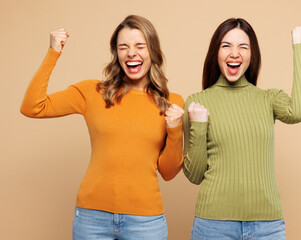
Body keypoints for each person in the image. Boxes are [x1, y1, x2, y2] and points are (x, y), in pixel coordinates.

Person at [20, 15, 184, 240]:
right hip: (92, 218)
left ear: (152, 51)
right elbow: (32, 107)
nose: (131, 53)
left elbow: (168, 172)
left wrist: (175, 130)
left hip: (145, 222)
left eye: (140, 46)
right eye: (123, 47)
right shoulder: (92, 92)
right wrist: (53, 53)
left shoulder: (171, 101)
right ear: (116, 54)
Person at [183, 18, 301, 240]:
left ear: (252, 54)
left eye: (243, 47)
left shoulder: (268, 98)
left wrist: (300, 46)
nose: (235, 53)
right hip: (213, 225)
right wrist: (198, 124)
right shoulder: (197, 102)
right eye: (226, 45)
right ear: (216, 52)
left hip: (267, 227)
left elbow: (300, 110)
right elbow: (195, 175)